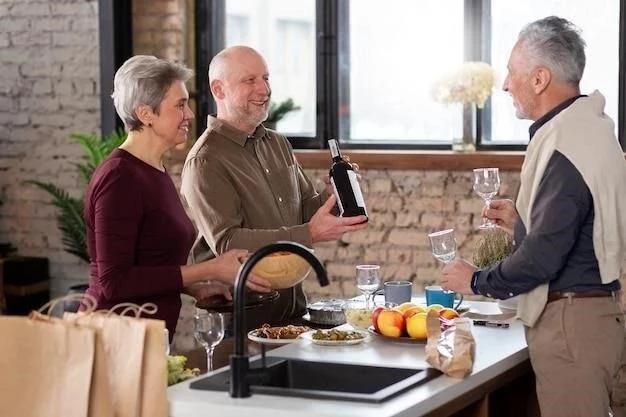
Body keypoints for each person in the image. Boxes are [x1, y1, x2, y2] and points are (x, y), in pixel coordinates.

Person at [439, 16, 626, 417]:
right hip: (595, 317)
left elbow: (543, 257)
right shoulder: (591, 128)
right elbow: (584, 226)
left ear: (539, 79)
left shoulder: (564, 143)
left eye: (511, 72)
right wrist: (524, 222)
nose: (506, 84)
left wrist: (474, 280)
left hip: (571, 325)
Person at [83, 55, 271, 339]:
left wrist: (193, 287)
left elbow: (149, 264)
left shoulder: (153, 168)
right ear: (145, 114)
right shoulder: (119, 178)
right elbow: (115, 282)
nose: (191, 115)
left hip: (144, 338)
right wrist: (210, 269)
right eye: (180, 105)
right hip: (114, 340)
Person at [181, 45, 368, 325]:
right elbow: (229, 243)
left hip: (293, 313)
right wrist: (309, 234)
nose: (264, 89)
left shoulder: (277, 143)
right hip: (240, 322)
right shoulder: (206, 160)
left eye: (266, 78)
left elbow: (305, 209)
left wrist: (334, 195)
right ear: (218, 90)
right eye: (250, 80)